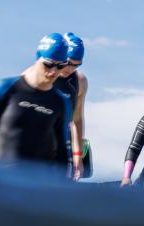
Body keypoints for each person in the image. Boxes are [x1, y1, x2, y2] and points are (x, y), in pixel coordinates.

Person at [0, 33, 75, 178]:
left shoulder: (61, 101)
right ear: (37, 58)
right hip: (0, 181)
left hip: (38, 187)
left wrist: (61, 187)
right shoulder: (8, 88)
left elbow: (63, 150)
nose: (53, 71)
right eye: (48, 64)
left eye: (60, 66)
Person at [54, 32, 88, 180]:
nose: (71, 69)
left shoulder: (79, 81)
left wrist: (77, 156)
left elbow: (77, 120)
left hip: (63, 145)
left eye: (77, 65)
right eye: (68, 63)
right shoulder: (40, 76)